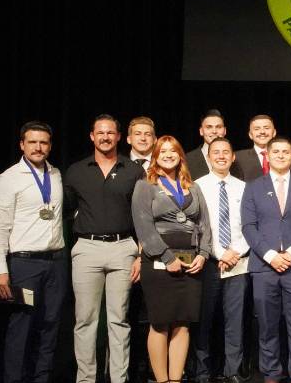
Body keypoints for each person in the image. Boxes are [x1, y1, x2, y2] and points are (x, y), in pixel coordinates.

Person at [64, 114, 145, 383]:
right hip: (87, 248)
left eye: (110, 132)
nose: (105, 137)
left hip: (124, 248)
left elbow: (143, 215)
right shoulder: (76, 171)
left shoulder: (133, 170)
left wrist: (140, 255)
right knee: (85, 321)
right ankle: (86, 379)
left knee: (118, 320)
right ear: (91, 136)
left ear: (119, 137)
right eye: (100, 132)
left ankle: (118, 378)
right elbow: (68, 209)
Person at [0, 121, 67, 383]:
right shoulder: (9, 178)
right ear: (22, 144)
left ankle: (41, 378)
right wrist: (0, 270)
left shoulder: (55, 174)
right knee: (22, 326)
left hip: (55, 263)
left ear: (50, 146)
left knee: (50, 325)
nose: (38, 147)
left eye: (43, 142)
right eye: (32, 142)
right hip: (24, 265)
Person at [132, 135, 211, 383]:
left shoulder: (194, 187)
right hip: (158, 261)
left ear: (180, 155)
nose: (168, 154)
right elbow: (143, 227)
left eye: (173, 150)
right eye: (162, 151)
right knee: (160, 322)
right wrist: (167, 257)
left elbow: (204, 225)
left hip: (191, 261)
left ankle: (176, 379)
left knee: (183, 322)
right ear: (155, 156)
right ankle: (162, 380)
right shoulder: (145, 185)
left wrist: (204, 254)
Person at [242, 136, 291, 383]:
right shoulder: (253, 187)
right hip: (264, 266)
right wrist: (271, 256)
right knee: (267, 325)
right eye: (276, 152)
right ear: (267, 157)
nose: (280, 155)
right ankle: (271, 373)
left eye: (286, 152)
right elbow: (249, 227)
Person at [194, 137, 250, 383]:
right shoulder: (197, 186)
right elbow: (196, 226)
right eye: (216, 152)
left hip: (238, 262)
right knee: (204, 319)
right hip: (208, 261)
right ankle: (202, 371)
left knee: (234, 320)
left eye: (226, 151)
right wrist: (218, 253)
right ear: (209, 157)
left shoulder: (243, 187)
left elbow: (250, 226)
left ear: (233, 156)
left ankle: (233, 370)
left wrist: (234, 252)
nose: (221, 156)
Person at [126, 115, 157, 382]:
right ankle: (130, 367)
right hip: (126, 248)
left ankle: (151, 367)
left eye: (148, 134)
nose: (143, 138)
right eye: (138, 134)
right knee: (128, 311)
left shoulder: (164, 166)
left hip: (158, 249)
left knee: (155, 312)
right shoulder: (121, 166)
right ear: (129, 138)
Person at [186, 109, 228, 180]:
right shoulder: (187, 160)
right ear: (201, 131)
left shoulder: (234, 160)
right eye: (209, 127)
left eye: (218, 127)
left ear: (225, 131)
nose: (214, 131)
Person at [234, 114, 277, 182]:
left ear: (274, 132)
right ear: (250, 135)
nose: (262, 132)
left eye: (266, 128)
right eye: (257, 129)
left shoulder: (284, 156)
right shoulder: (238, 157)